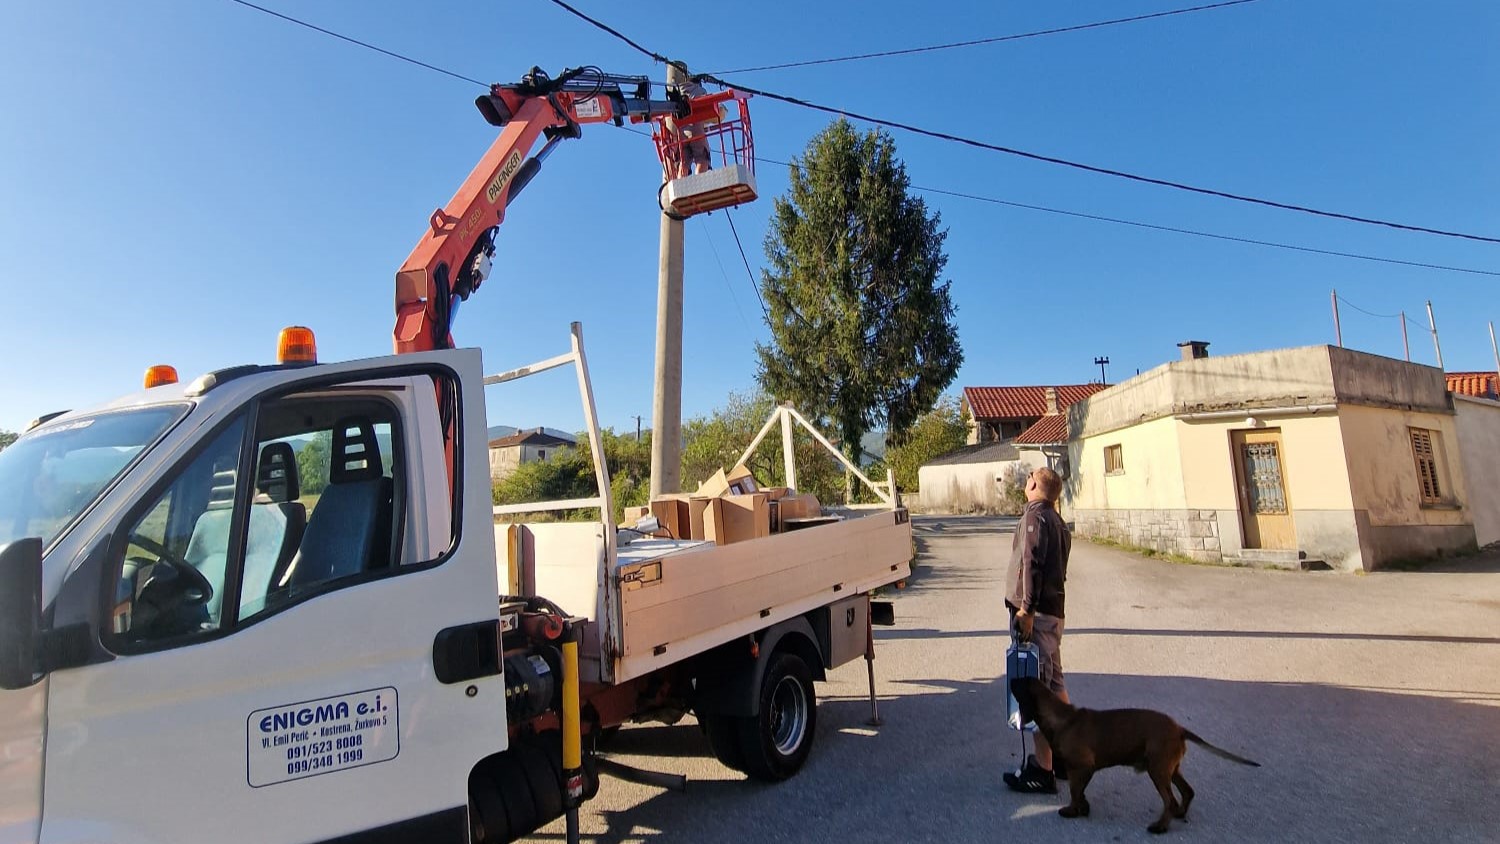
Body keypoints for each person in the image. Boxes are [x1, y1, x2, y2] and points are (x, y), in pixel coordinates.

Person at [1003, 466, 1072, 794]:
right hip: (1053, 616)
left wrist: (1027, 610)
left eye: (1031, 473)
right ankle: (1067, 757)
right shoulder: (1058, 522)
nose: (1027, 476)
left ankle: (1043, 770)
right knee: (1056, 685)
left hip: (1038, 617)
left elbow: (1031, 563)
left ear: (1033, 484)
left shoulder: (1034, 518)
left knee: (1038, 694)